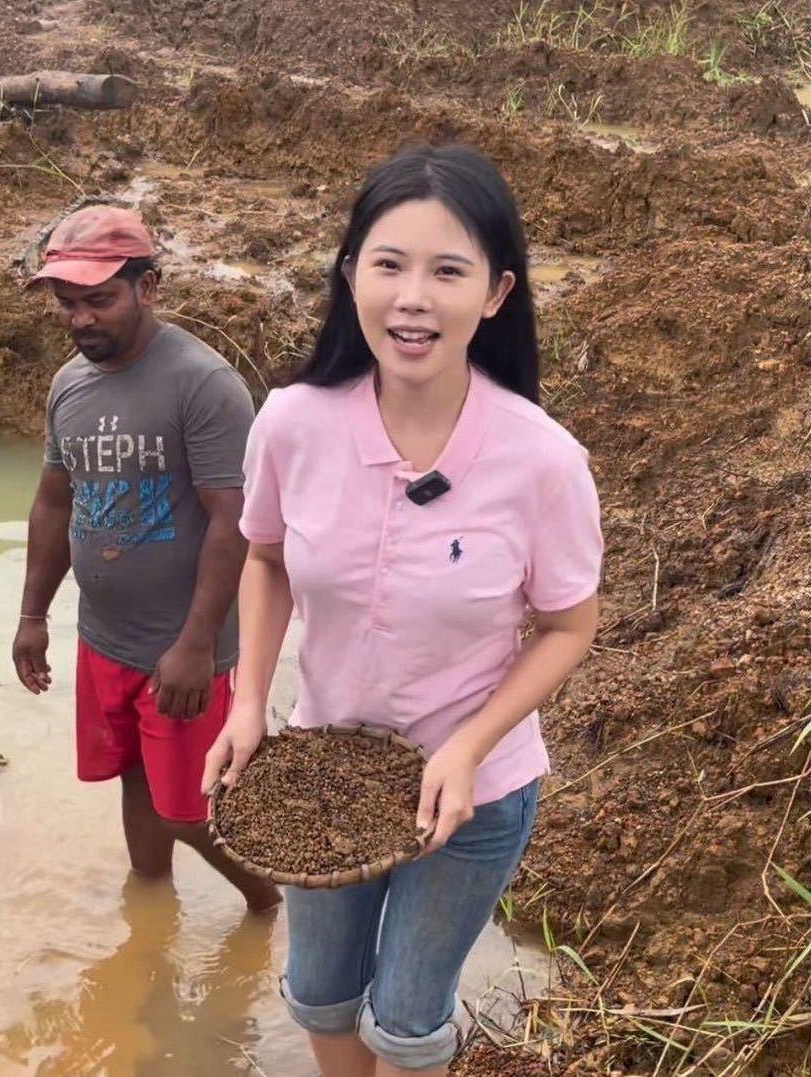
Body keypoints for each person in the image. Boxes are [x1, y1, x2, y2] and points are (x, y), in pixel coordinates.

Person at [202, 144, 604, 1075]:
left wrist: (466, 747)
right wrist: (247, 702)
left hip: (473, 789)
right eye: (387, 264)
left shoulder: (543, 461)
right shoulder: (292, 421)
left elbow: (568, 625)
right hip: (321, 768)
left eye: (447, 272)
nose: (411, 298)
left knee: (408, 1019)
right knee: (317, 990)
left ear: (496, 294)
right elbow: (264, 560)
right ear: (350, 276)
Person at [13, 205, 279, 912]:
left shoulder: (202, 383)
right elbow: (54, 504)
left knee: (190, 808)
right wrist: (32, 616)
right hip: (104, 639)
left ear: (148, 287)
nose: (80, 319)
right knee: (132, 776)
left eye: (99, 300)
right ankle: (150, 911)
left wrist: (196, 645)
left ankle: (268, 906)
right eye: (67, 303)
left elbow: (234, 522)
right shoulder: (69, 385)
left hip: (182, 648)